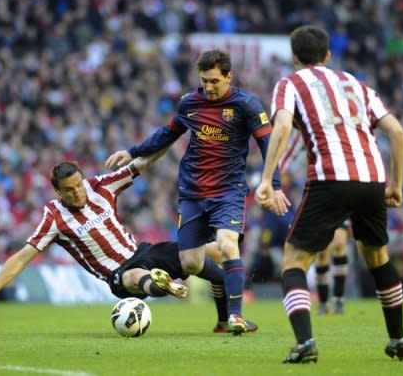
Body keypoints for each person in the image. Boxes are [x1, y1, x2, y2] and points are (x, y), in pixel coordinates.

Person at [255, 25, 403, 363]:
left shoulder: (290, 83)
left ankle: (305, 343)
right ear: (327, 55)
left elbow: (281, 127)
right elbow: (397, 132)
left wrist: (267, 178)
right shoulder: (357, 84)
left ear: (294, 57)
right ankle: (398, 339)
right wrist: (395, 185)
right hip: (372, 179)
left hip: (330, 178)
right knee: (378, 260)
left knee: (294, 262)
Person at [105, 49, 287, 334]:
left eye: (214, 81)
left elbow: (268, 145)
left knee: (228, 246)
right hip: (192, 193)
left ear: (229, 76)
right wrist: (132, 151)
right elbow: (167, 135)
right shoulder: (190, 103)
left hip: (228, 191)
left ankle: (235, 317)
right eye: (204, 81)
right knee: (190, 263)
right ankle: (224, 293)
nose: (209, 87)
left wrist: (273, 184)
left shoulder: (247, 105)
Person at [0, 158, 257, 333]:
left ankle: (223, 322)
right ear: (57, 192)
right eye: (68, 190)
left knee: (217, 269)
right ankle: (161, 285)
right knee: (136, 278)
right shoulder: (54, 216)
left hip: (144, 250)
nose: (77, 192)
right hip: (117, 273)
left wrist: (171, 134)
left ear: (83, 179)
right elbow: (23, 256)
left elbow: (140, 165)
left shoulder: (100, 186)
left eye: (78, 185)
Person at [279, 132, 350, 316]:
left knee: (340, 243)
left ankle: (339, 299)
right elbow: (289, 154)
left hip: (341, 192)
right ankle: (325, 301)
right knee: (323, 252)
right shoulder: (308, 131)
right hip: (318, 194)